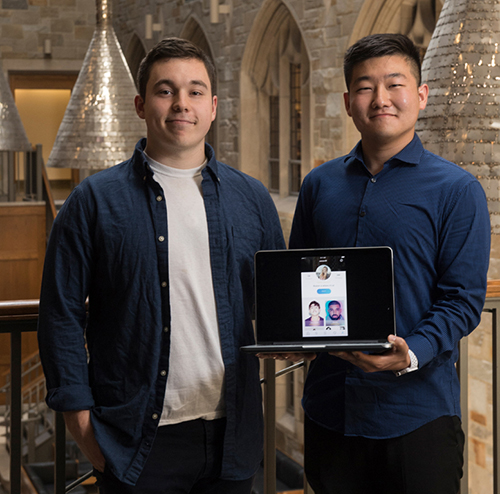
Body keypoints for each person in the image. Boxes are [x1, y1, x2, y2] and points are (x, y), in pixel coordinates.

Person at [37, 37, 285, 494]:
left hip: (234, 435)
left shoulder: (251, 198)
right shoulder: (93, 201)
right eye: (165, 90)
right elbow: (60, 313)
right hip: (135, 439)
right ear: (141, 103)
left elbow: (277, 300)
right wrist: (80, 423)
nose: (180, 104)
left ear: (212, 106)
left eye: (194, 92)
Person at [264, 34, 491, 494]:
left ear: (421, 95)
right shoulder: (318, 185)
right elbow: (303, 275)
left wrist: (409, 354)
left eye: (395, 84)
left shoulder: (458, 191)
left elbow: (462, 301)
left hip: (417, 416)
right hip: (330, 411)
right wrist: (291, 335)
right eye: (366, 87)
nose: (381, 99)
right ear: (349, 102)